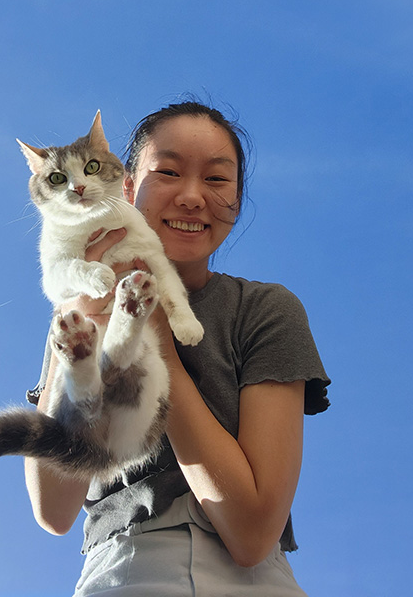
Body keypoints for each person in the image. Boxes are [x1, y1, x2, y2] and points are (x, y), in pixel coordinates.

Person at [24, 101, 330, 596]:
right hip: (121, 571)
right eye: (167, 171)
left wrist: (158, 340)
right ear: (125, 186)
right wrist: (90, 321)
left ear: (237, 199)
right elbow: (54, 509)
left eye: (216, 180)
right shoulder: (74, 317)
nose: (191, 196)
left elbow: (252, 534)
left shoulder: (264, 309)